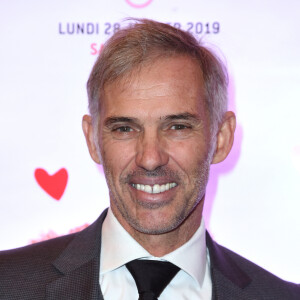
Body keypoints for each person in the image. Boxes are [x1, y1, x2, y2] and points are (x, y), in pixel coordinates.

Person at [0, 19, 299, 300]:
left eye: (178, 127)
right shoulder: (9, 284)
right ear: (93, 140)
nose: (151, 158)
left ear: (220, 138)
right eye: (125, 128)